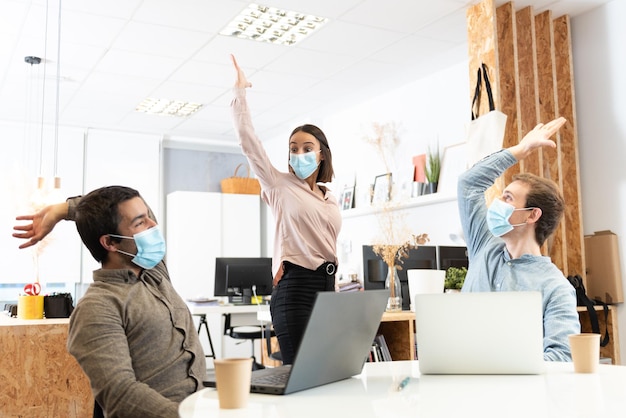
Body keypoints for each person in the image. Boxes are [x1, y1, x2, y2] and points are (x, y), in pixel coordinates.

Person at [13, 186, 205, 418]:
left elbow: (113, 211)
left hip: (202, 406)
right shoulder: (98, 307)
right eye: (140, 223)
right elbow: (121, 395)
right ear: (110, 243)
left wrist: (62, 211)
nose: (153, 225)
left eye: (147, 217)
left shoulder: (154, 272)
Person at [230, 54, 342, 365]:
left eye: (307, 149)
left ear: (321, 156)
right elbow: (247, 140)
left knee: (327, 373)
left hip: (328, 289)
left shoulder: (329, 197)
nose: (299, 153)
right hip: (295, 289)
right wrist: (240, 92)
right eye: (294, 148)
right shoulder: (277, 184)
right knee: (301, 372)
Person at [457, 116, 580, 361]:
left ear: (532, 214)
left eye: (508, 198)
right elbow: (468, 184)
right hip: (458, 384)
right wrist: (520, 150)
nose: (497, 203)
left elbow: (562, 358)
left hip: (515, 395)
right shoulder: (484, 244)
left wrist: (502, 364)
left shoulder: (556, 288)